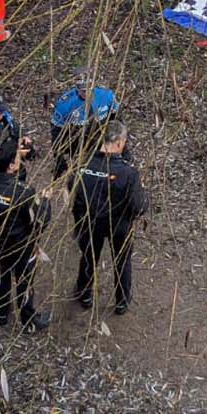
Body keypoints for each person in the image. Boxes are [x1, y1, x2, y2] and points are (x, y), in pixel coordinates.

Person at [0, 135, 51, 333]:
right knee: (24, 280)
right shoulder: (22, 192)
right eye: (17, 159)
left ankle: (3, 314)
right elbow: (40, 221)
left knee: (3, 274)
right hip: (21, 244)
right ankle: (28, 320)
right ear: (11, 167)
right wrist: (45, 201)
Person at [71, 120, 148, 315]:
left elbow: (73, 190)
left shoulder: (83, 166)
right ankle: (122, 301)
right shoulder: (128, 173)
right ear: (120, 142)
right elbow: (138, 206)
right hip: (119, 226)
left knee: (89, 257)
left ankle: (85, 294)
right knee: (122, 261)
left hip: (90, 223)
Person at [48, 65, 121, 177]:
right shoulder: (65, 104)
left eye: (89, 89)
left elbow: (116, 119)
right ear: (76, 88)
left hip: (101, 136)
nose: (86, 93)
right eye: (82, 90)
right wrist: (59, 158)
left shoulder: (106, 95)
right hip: (77, 140)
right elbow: (56, 133)